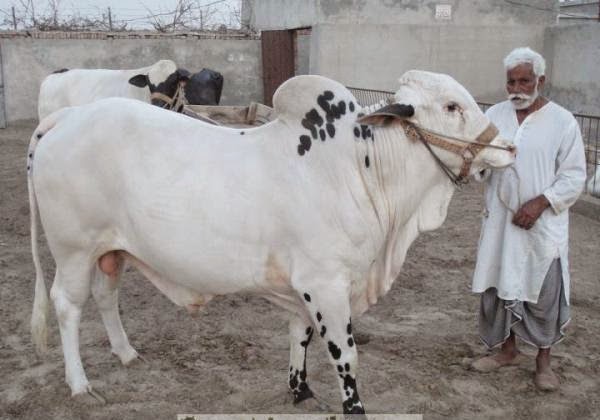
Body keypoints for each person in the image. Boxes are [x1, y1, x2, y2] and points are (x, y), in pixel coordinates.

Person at [470, 47, 587, 391]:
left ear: (540, 80)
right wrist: (480, 163)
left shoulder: (562, 121)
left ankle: (543, 362)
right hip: (499, 223)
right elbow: (478, 163)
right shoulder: (494, 115)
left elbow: (574, 175)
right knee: (499, 282)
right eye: (511, 82)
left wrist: (540, 203)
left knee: (543, 290)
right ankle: (506, 351)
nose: (517, 88)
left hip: (542, 225)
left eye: (524, 80)